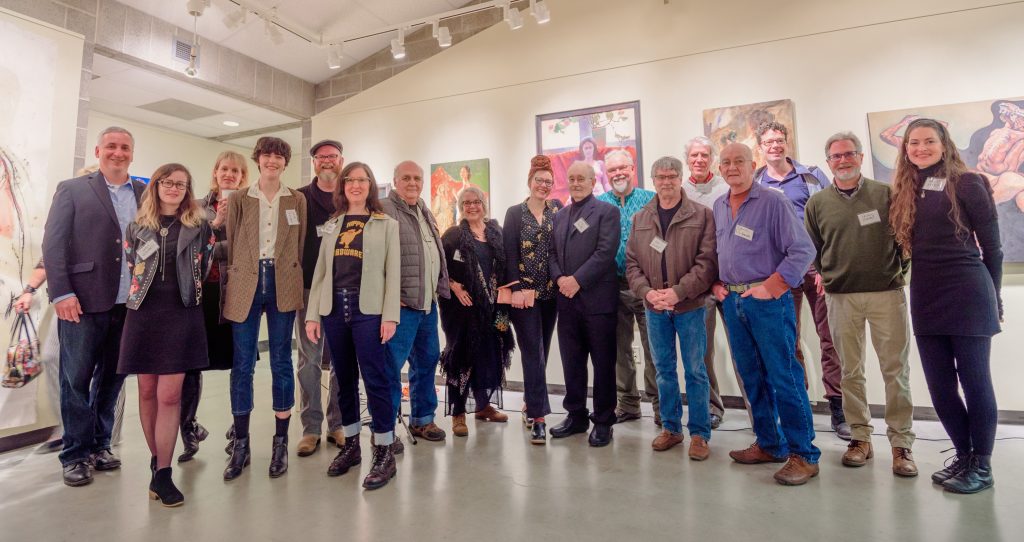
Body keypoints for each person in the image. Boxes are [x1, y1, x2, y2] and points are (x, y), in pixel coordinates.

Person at [889, 118, 1003, 494]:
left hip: (968, 291)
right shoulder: (908, 187)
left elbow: (993, 247)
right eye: (913, 143)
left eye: (928, 141)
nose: (921, 148)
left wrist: (995, 296)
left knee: (974, 382)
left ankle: (982, 466)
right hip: (926, 294)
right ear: (905, 149)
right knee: (939, 387)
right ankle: (964, 455)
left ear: (944, 143)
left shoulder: (967, 182)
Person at [804, 132, 918, 477]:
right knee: (850, 371)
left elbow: (905, 240)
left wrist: (899, 274)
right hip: (841, 297)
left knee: (895, 371)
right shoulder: (818, 204)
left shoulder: (885, 194)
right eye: (836, 156)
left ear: (861, 156)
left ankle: (901, 444)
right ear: (828, 162)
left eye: (849, 154)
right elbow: (812, 250)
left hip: (886, 293)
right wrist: (827, 276)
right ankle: (860, 438)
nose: (843, 161)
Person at [712, 143, 820, 486]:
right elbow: (721, 250)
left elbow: (803, 250)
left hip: (768, 301)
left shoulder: (773, 202)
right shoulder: (718, 205)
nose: (732, 167)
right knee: (750, 376)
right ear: (720, 168)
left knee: (784, 375)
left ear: (752, 165)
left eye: (739, 161)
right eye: (726, 162)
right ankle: (769, 444)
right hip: (732, 301)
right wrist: (717, 282)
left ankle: (803, 454)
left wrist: (773, 286)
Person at [43, 126, 146, 487]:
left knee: (113, 379)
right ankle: (75, 453)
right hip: (82, 302)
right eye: (112, 147)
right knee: (75, 380)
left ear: (132, 154)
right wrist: (61, 293)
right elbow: (53, 245)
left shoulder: (143, 193)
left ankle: (101, 445)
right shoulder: (72, 190)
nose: (118, 153)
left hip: (129, 303)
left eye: (125, 148)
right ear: (99, 150)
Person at [118, 163, 216, 506]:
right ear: (156, 186)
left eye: (181, 184)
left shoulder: (199, 226)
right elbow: (133, 267)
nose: (174, 189)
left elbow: (203, 268)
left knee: (170, 396)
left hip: (182, 313)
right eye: (168, 182)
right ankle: (157, 462)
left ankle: (163, 471)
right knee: (146, 389)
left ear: (188, 190)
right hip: (143, 314)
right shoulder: (136, 227)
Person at [305, 161, 401, 490]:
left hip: (369, 310)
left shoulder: (385, 224)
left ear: (370, 185)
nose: (355, 185)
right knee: (343, 381)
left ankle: (385, 450)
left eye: (362, 180)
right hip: (335, 308)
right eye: (350, 180)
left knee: (376, 379)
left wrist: (390, 316)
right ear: (343, 186)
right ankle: (351, 446)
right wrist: (312, 315)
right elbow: (320, 273)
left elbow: (394, 273)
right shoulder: (333, 224)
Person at [753, 121, 849, 440]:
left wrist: (825, 266)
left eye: (779, 140)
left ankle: (838, 406)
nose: (775, 146)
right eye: (768, 142)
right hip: (780, 270)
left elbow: (830, 221)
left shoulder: (811, 176)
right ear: (760, 147)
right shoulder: (756, 182)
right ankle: (798, 404)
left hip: (815, 267)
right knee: (786, 340)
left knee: (830, 337)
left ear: (787, 142)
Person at [222, 136, 307, 480]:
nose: (272, 161)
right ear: (258, 160)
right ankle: (241, 443)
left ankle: (280, 443)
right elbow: (233, 241)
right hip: (247, 281)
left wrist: (287, 271)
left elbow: (298, 244)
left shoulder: (296, 199)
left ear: (285, 162)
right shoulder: (241, 197)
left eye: (278, 156)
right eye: (267, 155)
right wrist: (241, 274)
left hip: (283, 281)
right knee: (242, 365)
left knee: (282, 361)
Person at [625, 156, 717, 458]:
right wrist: (648, 293)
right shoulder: (641, 218)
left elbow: (707, 264)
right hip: (654, 309)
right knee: (663, 371)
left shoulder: (702, 215)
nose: (667, 182)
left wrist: (677, 293)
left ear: (681, 178)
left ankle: (700, 434)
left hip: (690, 307)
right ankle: (672, 428)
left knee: (695, 371)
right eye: (661, 177)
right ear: (653, 181)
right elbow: (632, 264)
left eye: (672, 176)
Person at [177, 151, 244, 463]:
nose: (229, 175)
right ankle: (188, 428)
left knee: (240, 364)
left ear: (244, 177)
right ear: (215, 172)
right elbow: (190, 249)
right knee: (191, 365)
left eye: (236, 171)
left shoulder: (249, 207)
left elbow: (250, 249)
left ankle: (238, 428)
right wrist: (215, 227)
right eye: (224, 169)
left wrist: (212, 245)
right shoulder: (196, 208)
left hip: (236, 295)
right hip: (201, 295)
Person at [549, 161, 620, 446]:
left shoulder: (607, 212)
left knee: (603, 363)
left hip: (597, 301)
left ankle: (603, 420)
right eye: (572, 178)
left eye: (582, 178)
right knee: (572, 362)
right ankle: (576, 415)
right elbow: (551, 254)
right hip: (566, 302)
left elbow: (606, 252)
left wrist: (576, 280)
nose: (576, 183)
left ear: (593, 181)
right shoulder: (560, 216)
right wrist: (560, 279)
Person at [379, 161, 451, 443]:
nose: (412, 183)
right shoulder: (384, 209)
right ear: (395, 180)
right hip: (401, 306)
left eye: (417, 178)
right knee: (391, 367)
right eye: (406, 178)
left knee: (427, 361)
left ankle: (423, 419)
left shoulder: (424, 208)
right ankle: (385, 431)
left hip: (426, 305)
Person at [682, 136, 749, 427]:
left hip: (730, 282)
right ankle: (712, 407)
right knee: (702, 350)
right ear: (687, 159)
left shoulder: (726, 190)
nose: (699, 159)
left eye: (704, 155)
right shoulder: (680, 192)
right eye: (694, 155)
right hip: (699, 285)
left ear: (712, 159)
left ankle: (756, 410)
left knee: (743, 349)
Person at [439, 186, 515, 437]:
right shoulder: (452, 235)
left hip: (495, 307)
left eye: (476, 202)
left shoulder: (496, 233)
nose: (472, 206)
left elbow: (505, 267)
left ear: (484, 204)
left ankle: (483, 406)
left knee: (490, 354)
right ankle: (458, 413)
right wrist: (453, 286)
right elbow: (438, 267)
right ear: (461, 207)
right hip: (462, 309)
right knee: (461, 358)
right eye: (466, 203)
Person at [502, 155, 563, 444]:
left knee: (543, 349)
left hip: (551, 294)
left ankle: (530, 399)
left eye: (548, 182)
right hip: (523, 295)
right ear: (529, 181)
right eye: (539, 180)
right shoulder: (515, 213)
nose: (543, 185)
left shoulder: (558, 210)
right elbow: (509, 253)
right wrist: (514, 289)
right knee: (532, 352)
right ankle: (538, 416)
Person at [596, 149, 658, 425]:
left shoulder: (650, 200)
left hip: (646, 285)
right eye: (612, 170)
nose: (618, 173)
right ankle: (629, 404)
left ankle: (660, 406)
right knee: (620, 350)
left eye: (623, 168)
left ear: (633, 168)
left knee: (654, 349)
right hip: (612, 286)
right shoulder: (599, 204)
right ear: (606, 175)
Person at [294, 140, 344, 456]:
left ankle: (337, 424)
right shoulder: (299, 198)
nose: (327, 161)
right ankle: (310, 428)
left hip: (344, 289)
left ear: (342, 160)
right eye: (321, 156)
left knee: (341, 359)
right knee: (309, 359)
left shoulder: (352, 196)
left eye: (333, 156)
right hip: (309, 288)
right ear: (314, 162)